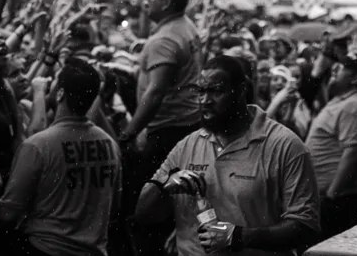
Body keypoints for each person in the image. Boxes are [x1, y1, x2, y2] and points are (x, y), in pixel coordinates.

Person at [134, 55, 319, 256]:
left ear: (241, 91)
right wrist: (164, 186)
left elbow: (305, 227)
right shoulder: (188, 145)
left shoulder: (285, 145)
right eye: (201, 91)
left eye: (216, 91)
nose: (205, 100)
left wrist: (239, 236)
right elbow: (143, 214)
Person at [0, 57, 122, 255]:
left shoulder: (37, 146)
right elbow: (114, 208)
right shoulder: (109, 144)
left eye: (55, 80)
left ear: (61, 93)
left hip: (44, 249)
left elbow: (7, 214)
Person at [120, 0, 204, 166]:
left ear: (165, 3)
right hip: (185, 122)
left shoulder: (166, 39)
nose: (146, 0)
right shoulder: (185, 24)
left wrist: (128, 134)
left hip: (167, 130)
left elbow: (155, 93)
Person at [305, 53, 357, 238]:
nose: (333, 70)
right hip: (336, 197)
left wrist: (331, 195)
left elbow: (354, 153)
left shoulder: (355, 106)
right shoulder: (343, 100)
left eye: (340, 68)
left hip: (344, 199)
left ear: (355, 78)